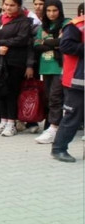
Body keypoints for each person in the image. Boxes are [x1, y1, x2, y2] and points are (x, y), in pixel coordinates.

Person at [0, 0, 33, 137]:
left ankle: (12, 123)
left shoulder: (24, 21)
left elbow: (21, 40)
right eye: (6, 4)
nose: (8, 8)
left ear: (19, 6)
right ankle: (3, 121)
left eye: (12, 5)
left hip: (14, 62)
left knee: (11, 93)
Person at [34, 0, 70, 144]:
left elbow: (63, 42)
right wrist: (52, 44)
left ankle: (55, 129)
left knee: (56, 97)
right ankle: (53, 126)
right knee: (49, 97)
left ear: (60, 10)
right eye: (48, 10)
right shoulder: (43, 26)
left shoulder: (66, 24)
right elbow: (36, 45)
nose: (51, 14)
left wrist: (46, 42)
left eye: (54, 10)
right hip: (46, 66)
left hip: (60, 67)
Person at [50, 14, 84, 162]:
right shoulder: (76, 25)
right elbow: (65, 46)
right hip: (77, 80)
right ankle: (59, 149)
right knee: (73, 116)